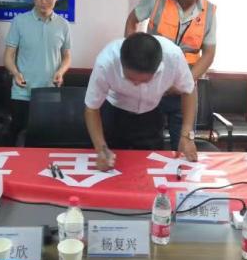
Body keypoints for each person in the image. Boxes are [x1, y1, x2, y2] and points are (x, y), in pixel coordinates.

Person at [124, 0, 216, 151]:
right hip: (151, 86)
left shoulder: (208, 10)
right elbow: (132, 21)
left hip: (184, 92)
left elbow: (209, 53)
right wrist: (133, 57)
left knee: (183, 147)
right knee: (145, 147)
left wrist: (186, 80)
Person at [84, 32, 198, 171]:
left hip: (151, 115)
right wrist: (101, 148)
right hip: (114, 114)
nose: (136, 84)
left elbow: (189, 90)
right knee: (111, 169)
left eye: (145, 80)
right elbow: (91, 108)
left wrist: (186, 135)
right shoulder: (106, 62)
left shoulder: (173, 57)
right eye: (130, 79)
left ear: (157, 68)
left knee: (150, 169)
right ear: (121, 62)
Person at [3, 0, 71, 146]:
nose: (44, 1)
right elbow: (8, 55)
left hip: (50, 91)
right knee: (17, 136)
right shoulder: (19, 21)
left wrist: (61, 72)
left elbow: (67, 56)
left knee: (47, 138)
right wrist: (15, 73)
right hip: (22, 91)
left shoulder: (63, 25)